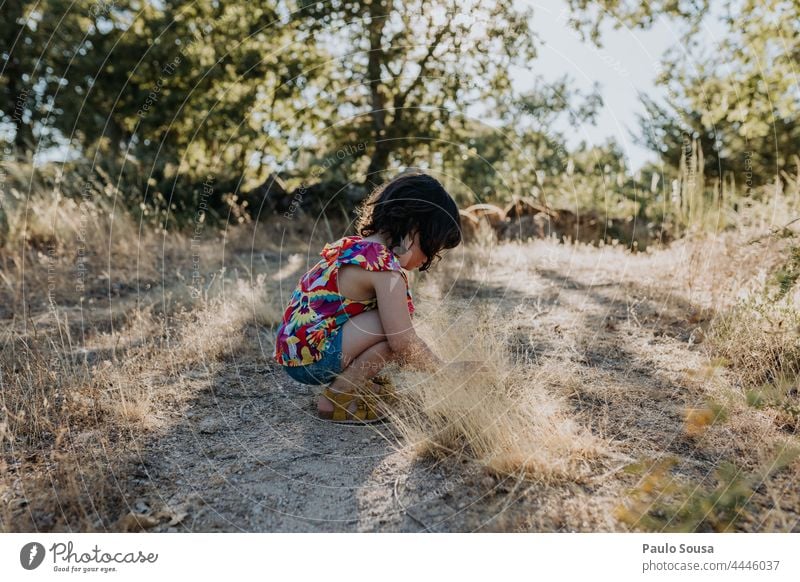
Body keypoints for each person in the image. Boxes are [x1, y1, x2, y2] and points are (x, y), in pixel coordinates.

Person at [273, 171, 462, 423]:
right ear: (414, 228)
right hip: (313, 361)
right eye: (431, 247)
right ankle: (336, 399)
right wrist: (445, 371)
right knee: (394, 332)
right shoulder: (384, 268)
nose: (428, 259)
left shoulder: (355, 248)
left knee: (389, 323)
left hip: (295, 351)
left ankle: (359, 386)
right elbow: (403, 344)